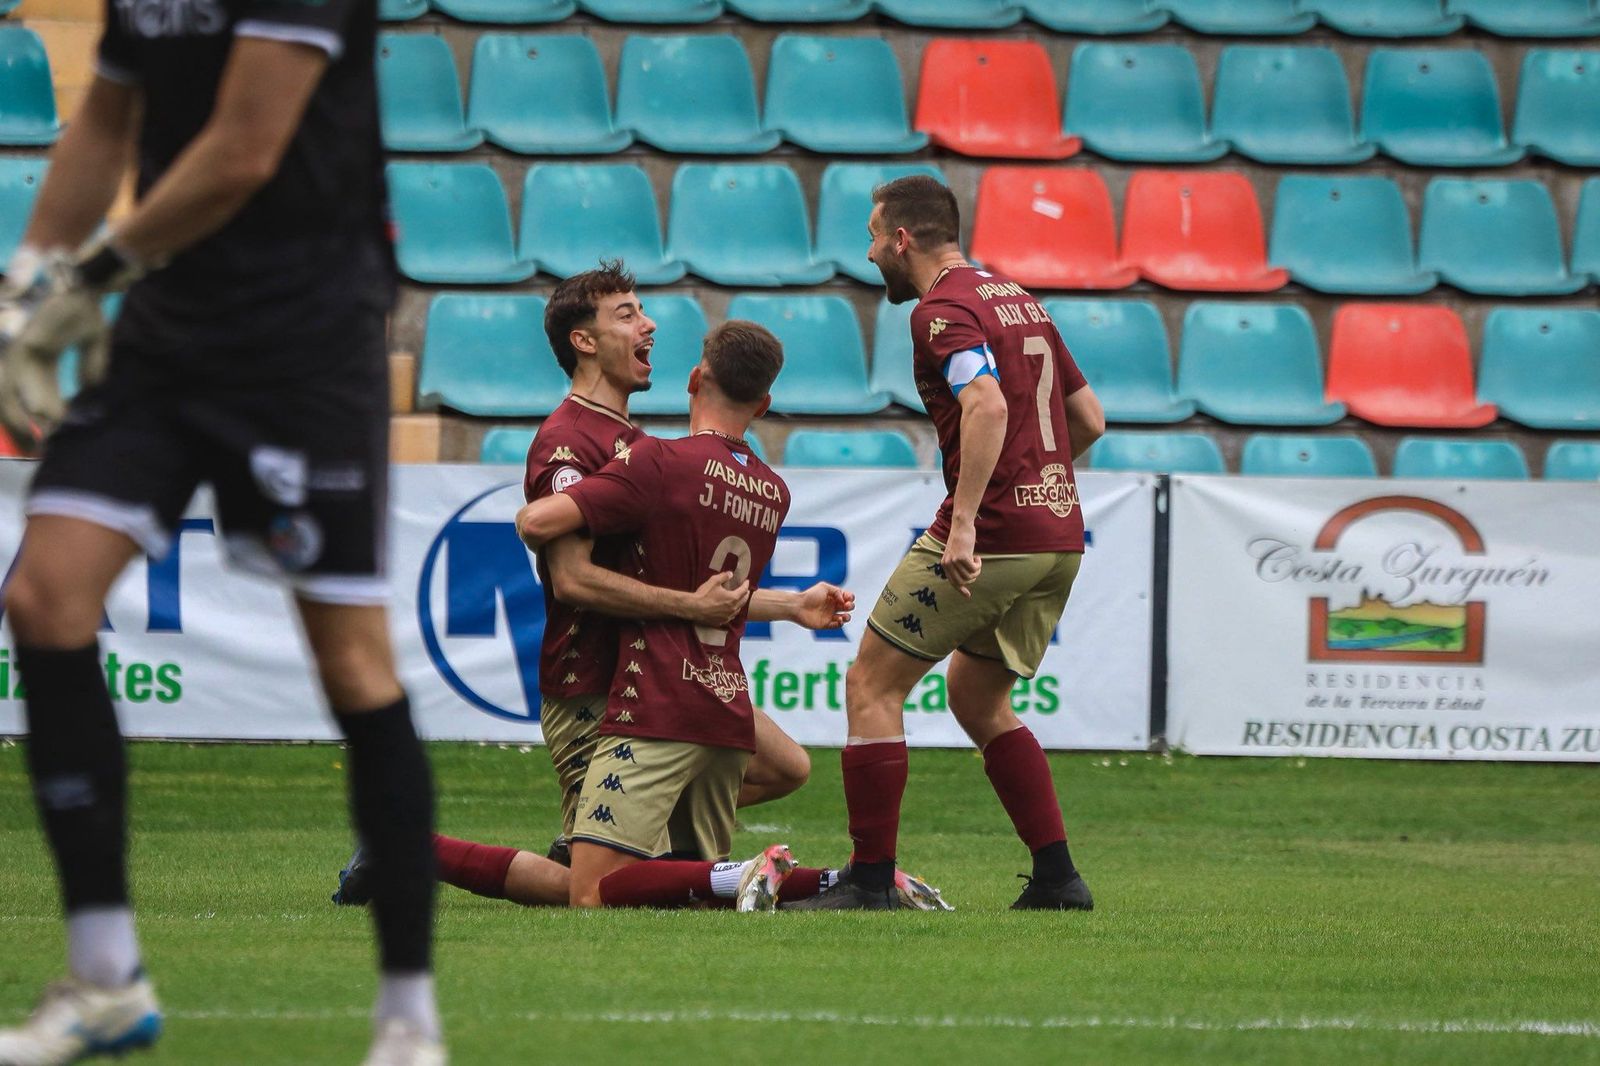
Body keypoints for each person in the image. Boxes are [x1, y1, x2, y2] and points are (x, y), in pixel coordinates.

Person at [0, 0, 443, 1061]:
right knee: (43, 593)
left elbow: (244, 150)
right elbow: (106, 126)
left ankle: (407, 1016)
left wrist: (85, 280)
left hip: (301, 341)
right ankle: (105, 977)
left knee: (350, 660)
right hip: (163, 338)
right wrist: (22, 290)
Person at [332, 263, 855, 911]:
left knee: (785, 767)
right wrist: (690, 605)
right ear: (585, 341)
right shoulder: (567, 442)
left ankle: (613, 841)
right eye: (628, 314)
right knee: (599, 890)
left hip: (668, 675)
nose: (650, 323)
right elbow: (572, 579)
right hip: (596, 682)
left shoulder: (646, 446)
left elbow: (688, 584)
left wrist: (789, 605)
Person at [790, 175, 1106, 912]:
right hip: (1058, 533)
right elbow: (1087, 418)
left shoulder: (940, 311)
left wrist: (966, 522)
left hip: (993, 536)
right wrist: (1036, 480)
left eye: (873, 237)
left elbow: (987, 401)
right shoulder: (1018, 298)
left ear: (902, 238)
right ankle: (1059, 878)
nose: (870, 254)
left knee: (872, 685)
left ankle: (869, 882)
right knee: (975, 693)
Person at [512, 320, 864, 911]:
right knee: (698, 868)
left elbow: (538, 526)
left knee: (593, 889)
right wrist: (789, 605)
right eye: (628, 313)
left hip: (652, 691)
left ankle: (418, 854)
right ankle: (832, 880)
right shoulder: (772, 489)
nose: (647, 323)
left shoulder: (658, 459)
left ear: (695, 379)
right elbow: (700, 592)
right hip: (711, 693)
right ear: (766, 403)